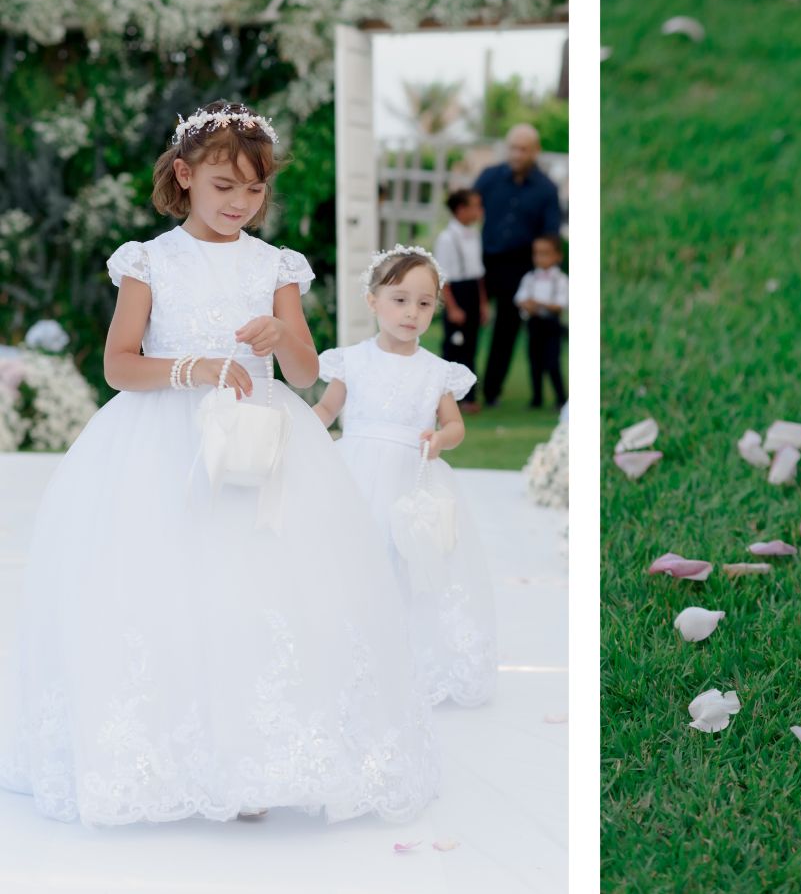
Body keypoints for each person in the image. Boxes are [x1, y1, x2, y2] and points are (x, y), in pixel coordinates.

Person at [0, 102, 438, 826]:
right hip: (162, 446)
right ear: (185, 175)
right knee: (165, 592)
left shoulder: (275, 266)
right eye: (224, 185)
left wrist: (277, 333)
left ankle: (256, 757)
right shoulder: (149, 259)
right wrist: (193, 367)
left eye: (255, 190)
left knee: (261, 590)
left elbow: (303, 370)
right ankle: (176, 751)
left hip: (261, 445)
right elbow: (118, 365)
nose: (241, 203)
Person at [312, 245, 498, 708]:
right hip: (356, 473)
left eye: (424, 302)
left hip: (410, 478)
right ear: (373, 300)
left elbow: (455, 425)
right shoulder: (352, 361)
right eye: (399, 299)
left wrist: (439, 439)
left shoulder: (437, 371)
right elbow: (328, 409)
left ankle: (409, 658)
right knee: (355, 557)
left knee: (411, 562)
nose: (411, 312)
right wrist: (300, 428)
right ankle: (352, 655)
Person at [473, 124, 561, 408]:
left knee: (506, 331)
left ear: (535, 151)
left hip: (521, 267)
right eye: (512, 147)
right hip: (484, 262)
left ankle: (492, 390)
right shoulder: (489, 177)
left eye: (523, 149)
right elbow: (469, 210)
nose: (517, 154)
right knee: (473, 325)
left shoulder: (546, 189)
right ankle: (464, 390)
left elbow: (551, 233)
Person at [435, 188, 488, 414]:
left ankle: (469, 396)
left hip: (473, 291)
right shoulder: (447, 238)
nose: (479, 211)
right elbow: (443, 276)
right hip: (456, 293)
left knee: (471, 347)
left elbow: (478, 273)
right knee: (453, 346)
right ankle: (446, 397)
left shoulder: (474, 234)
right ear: (461, 209)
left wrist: (483, 303)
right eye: (475, 206)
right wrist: (453, 307)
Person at [515, 234, 568, 409]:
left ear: (557, 256)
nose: (540, 258)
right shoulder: (530, 278)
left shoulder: (560, 279)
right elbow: (520, 298)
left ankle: (561, 397)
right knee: (534, 361)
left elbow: (560, 304)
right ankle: (536, 397)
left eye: (545, 253)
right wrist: (527, 304)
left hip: (551, 324)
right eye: (537, 253)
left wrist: (538, 304)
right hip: (534, 324)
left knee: (552, 362)